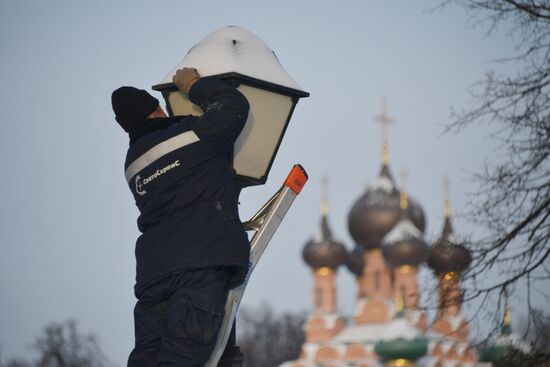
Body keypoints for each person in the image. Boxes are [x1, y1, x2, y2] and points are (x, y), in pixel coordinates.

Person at [111, 67, 251, 366]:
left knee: (148, 355)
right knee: (183, 355)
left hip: (155, 275)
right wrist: (196, 86)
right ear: (157, 110)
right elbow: (234, 107)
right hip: (200, 264)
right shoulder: (191, 137)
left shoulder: (133, 163)